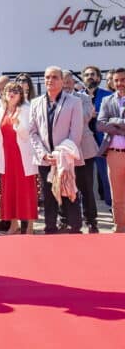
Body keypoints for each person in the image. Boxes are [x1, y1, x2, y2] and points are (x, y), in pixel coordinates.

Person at [27, 66, 84, 234]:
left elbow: (76, 133)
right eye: (47, 77)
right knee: (48, 195)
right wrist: (44, 154)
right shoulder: (36, 103)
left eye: (54, 77)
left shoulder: (74, 102)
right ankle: (50, 229)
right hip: (45, 159)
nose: (49, 80)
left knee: (69, 193)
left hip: (66, 158)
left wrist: (60, 155)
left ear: (61, 80)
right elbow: (33, 132)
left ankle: (75, 229)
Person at [0, 82, 36, 234]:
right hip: (6, 157)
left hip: (22, 157)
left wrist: (17, 124)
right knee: (9, 191)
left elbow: (27, 135)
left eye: (15, 90)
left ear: (21, 95)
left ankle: (29, 228)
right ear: (4, 94)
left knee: (26, 192)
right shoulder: (0, 110)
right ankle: (13, 225)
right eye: (9, 90)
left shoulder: (26, 110)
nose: (11, 93)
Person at [62, 70, 99, 233]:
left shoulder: (84, 98)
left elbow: (84, 118)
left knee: (86, 187)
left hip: (84, 149)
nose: (67, 82)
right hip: (63, 150)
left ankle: (91, 221)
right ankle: (66, 220)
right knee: (65, 187)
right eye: (64, 80)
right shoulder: (54, 99)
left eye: (70, 80)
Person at [96, 68, 125, 233]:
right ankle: (120, 228)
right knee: (117, 196)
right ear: (112, 83)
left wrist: (114, 122)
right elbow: (100, 125)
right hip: (113, 154)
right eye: (117, 80)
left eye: (123, 79)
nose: (120, 83)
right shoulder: (107, 100)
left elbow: (107, 124)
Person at [82, 65, 114, 207]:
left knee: (107, 177)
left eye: (93, 74)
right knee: (82, 179)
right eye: (87, 74)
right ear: (83, 78)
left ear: (99, 78)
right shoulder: (76, 97)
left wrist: (98, 115)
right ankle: (85, 210)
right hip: (83, 143)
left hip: (104, 143)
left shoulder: (108, 96)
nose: (90, 77)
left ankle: (112, 207)